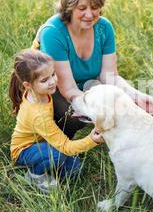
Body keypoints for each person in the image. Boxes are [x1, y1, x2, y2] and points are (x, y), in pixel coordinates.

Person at [31, 0, 153, 138]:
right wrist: (101, 107)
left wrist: (135, 96)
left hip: (84, 85)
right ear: (68, 7)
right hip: (52, 88)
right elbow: (68, 89)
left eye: (94, 7)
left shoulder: (104, 28)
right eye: (82, 8)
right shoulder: (53, 32)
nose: (89, 14)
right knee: (74, 116)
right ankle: (54, 140)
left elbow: (110, 77)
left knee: (120, 102)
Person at [9, 49, 104, 193]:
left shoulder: (37, 91)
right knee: (58, 154)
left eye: (53, 74)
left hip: (42, 142)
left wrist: (37, 39)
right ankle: (35, 175)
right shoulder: (38, 116)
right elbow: (65, 147)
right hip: (23, 151)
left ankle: (49, 162)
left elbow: (29, 63)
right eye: (44, 80)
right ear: (28, 85)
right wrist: (92, 140)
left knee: (74, 169)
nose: (53, 81)